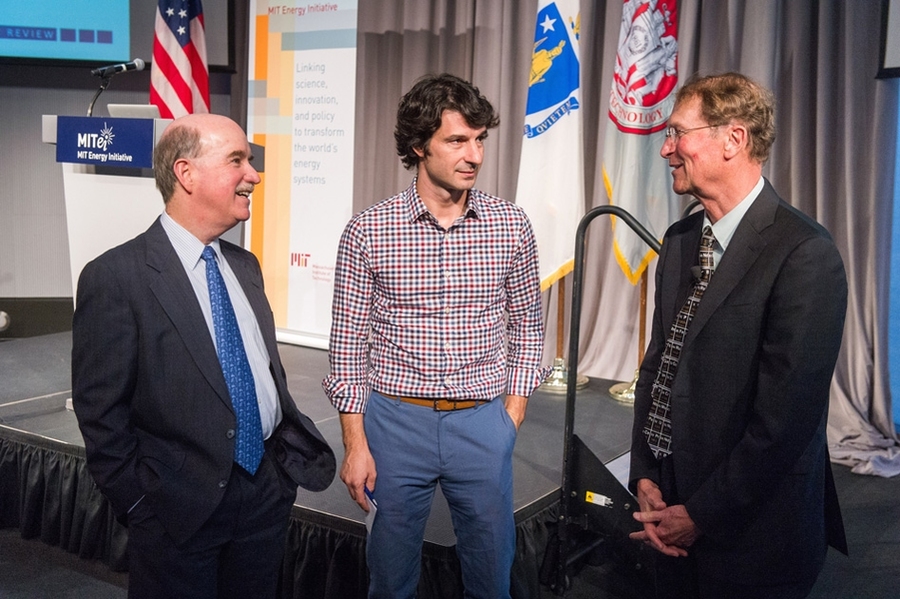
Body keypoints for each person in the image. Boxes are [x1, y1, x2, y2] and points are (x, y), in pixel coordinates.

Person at [72, 113, 335, 599]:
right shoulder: (116, 277)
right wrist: (140, 508)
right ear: (186, 174)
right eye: (237, 160)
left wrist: (276, 481)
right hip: (176, 514)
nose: (253, 175)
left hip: (264, 496)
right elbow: (101, 417)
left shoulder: (245, 265)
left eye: (251, 162)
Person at [323, 73, 546, 599]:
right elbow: (348, 346)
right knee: (391, 580)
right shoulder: (368, 231)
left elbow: (529, 329)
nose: (474, 154)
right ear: (420, 145)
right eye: (457, 140)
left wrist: (509, 416)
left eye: (480, 139)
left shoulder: (511, 225)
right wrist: (355, 443)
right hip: (396, 424)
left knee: (492, 581)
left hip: (482, 422)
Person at [629, 72, 848, 598]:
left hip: (754, 535)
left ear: (734, 139)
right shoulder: (680, 239)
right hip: (669, 513)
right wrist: (646, 474)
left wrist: (700, 514)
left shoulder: (803, 254)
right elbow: (659, 365)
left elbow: (784, 422)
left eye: (679, 132)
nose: (666, 150)